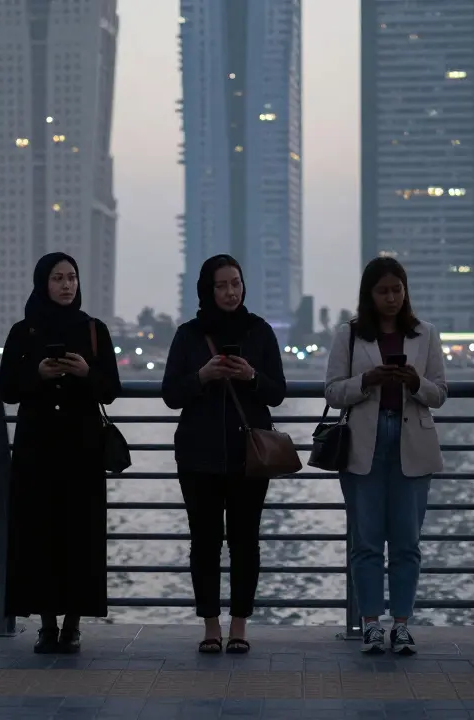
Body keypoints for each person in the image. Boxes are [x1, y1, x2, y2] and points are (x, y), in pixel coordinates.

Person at [0, 252, 123, 654]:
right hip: (36, 447)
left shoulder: (94, 330)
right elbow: (5, 389)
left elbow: (111, 389)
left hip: (82, 448)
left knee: (80, 534)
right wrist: (37, 373)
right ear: (42, 283)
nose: (67, 285)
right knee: (38, 533)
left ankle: (72, 624)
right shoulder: (23, 331)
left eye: (72, 277)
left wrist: (87, 373)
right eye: (57, 278)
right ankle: (46, 625)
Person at [162, 254, 288, 654]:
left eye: (236, 283)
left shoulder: (260, 331)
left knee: (245, 541)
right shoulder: (188, 335)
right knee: (204, 542)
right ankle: (210, 626)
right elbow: (170, 394)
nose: (231, 292)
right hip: (198, 455)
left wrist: (251, 376)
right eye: (222, 285)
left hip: (249, 455)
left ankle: (239, 626)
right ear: (207, 289)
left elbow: (278, 392)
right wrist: (202, 376)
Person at [323, 257, 447, 655]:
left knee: (408, 541)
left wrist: (415, 382)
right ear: (369, 295)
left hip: (412, 440)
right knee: (367, 540)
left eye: (397, 289)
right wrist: (367, 381)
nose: (391, 298)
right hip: (365, 443)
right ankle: (372, 624)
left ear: (405, 291)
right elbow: (332, 391)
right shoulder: (349, 335)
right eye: (382, 291)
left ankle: (403, 624)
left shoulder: (426, 334)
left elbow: (441, 394)